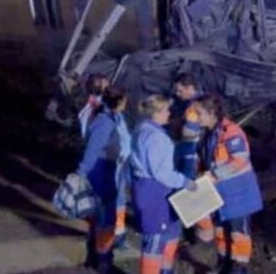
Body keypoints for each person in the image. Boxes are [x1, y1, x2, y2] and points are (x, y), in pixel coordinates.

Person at [195, 95, 263, 274]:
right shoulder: (208, 133)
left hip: (238, 194)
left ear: (211, 113)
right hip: (219, 194)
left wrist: (214, 174)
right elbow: (206, 159)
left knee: (238, 235)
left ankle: (238, 270)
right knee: (220, 232)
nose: (196, 117)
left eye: (199, 113)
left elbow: (239, 159)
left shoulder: (231, 132)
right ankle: (223, 267)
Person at [130, 94, 194, 274]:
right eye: (166, 110)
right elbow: (162, 173)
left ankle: (166, 271)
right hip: (155, 192)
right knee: (156, 240)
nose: (169, 113)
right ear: (156, 113)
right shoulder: (156, 137)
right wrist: (185, 182)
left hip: (147, 189)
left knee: (170, 233)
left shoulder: (142, 128)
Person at [76, 86, 129, 273]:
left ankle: (96, 258)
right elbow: (93, 150)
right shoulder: (104, 122)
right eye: (125, 99)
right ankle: (103, 261)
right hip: (102, 171)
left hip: (107, 169)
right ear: (118, 101)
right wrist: (82, 173)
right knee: (105, 219)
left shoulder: (110, 118)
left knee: (101, 218)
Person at [169, 72, 213, 243]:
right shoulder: (203, 101)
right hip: (196, 153)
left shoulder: (194, 109)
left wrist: (175, 130)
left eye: (180, 90)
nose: (177, 94)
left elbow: (189, 133)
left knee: (189, 190)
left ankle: (202, 231)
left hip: (191, 154)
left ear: (190, 88)